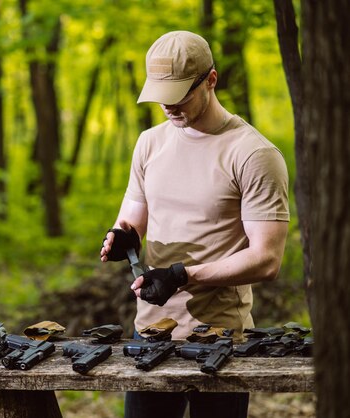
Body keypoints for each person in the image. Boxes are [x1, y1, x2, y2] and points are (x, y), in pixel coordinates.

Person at [100, 31, 289, 418]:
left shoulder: (253, 154)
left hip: (220, 338)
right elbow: (133, 215)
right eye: (161, 94)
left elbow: (266, 259)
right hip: (151, 331)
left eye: (181, 93)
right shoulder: (149, 143)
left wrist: (183, 275)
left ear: (211, 80)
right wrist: (123, 237)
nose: (168, 105)